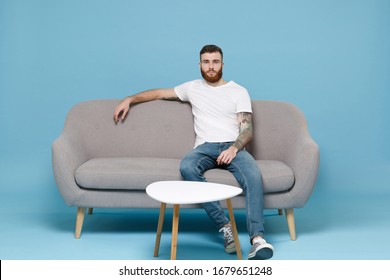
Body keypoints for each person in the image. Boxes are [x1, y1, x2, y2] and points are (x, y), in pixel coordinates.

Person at [113, 45, 274, 260]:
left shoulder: (238, 91)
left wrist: (234, 148)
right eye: (206, 62)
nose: (210, 66)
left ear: (222, 64)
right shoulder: (192, 88)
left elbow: (247, 129)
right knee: (187, 165)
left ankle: (257, 240)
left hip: (232, 145)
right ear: (199, 65)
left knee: (253, 176)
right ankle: (225, 227)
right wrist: (129, 99)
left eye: (215, 62)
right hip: (205, 147)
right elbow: (160, 93)